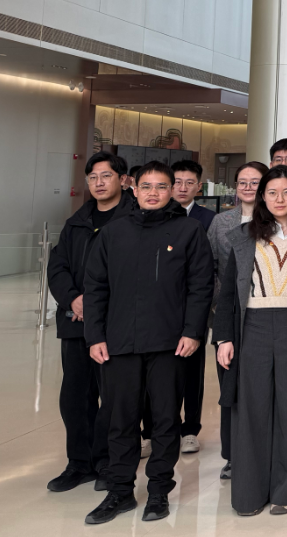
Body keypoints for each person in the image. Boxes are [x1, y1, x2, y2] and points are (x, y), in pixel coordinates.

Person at [82, 161, 213, 524]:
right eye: (146, 186)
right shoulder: (113, 232)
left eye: (161, 186)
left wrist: (193, 332)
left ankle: (158, 491)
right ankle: (120, 491)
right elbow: (95, 288)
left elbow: (200, 286)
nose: (153, 193)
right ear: (134, 189)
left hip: (170, 343)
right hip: (119, 342)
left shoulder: (189, 231)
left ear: (172, 190)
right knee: (120, 420)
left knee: (166, 420)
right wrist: (95, 336)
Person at [214, 165, 287, 516]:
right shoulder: (243, 235)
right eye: (272, 192)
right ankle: (248, 494)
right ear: (262, 196)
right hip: (253, 327)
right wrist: (223, 338)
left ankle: (286, 490)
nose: (280, 199)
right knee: (250, 410)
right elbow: (228, 292)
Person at [46, 152, 133, 494]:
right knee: (75, 396)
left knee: (113, 397)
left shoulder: (134, 219)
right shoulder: (77, 221)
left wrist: (96, 304)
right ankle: (79, 463)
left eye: (106, 176)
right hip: (76, 321)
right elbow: (57, 267)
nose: (99, 182)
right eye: (93, 177)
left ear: (123, 180)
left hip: (115, 324)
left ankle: (108, 462)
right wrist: (72, 299)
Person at [205, 161, 268, 481]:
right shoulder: (220, 222)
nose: (247, 187)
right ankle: (232, 455)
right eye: (242, 182)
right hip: (226, 315)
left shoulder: (274, 221)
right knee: (230, 386)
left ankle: (261, 451)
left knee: (261, 388)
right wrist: (220, 304)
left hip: (263, 316)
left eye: (255, 182)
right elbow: (210, 267)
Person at [167, 158, 213, 456]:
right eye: (177, 182)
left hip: (195, 304)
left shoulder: (209, 219)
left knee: (193, 370)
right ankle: (159, 429)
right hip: (164, 306)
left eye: (189, 183)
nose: (182, 188)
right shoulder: (157, 215)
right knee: (161, 371)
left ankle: (190, 429)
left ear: (199, 187)